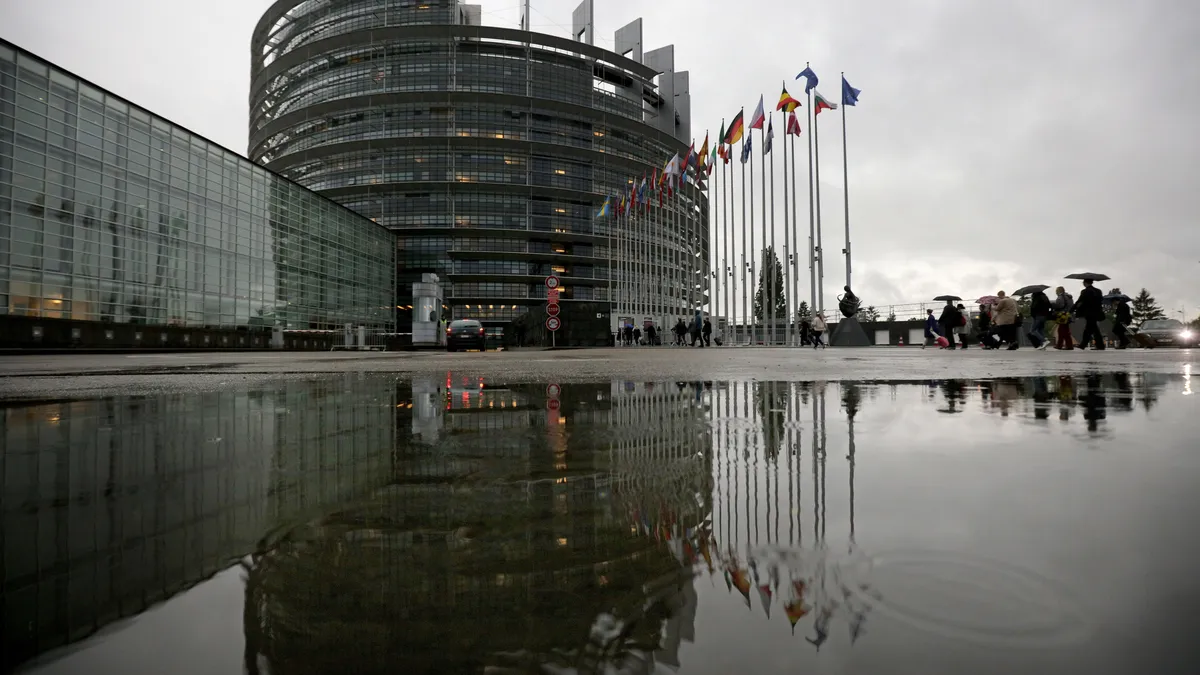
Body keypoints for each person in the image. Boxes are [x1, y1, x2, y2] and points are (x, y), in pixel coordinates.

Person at [1074, 279, 1106, 350]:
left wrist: (1072, 310)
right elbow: (1100, 301)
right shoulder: (1098, 291)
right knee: (1092, 329)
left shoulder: (1085, 291)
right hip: (1097, 312)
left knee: (1090, 329)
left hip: (1089, 313)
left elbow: (1080, 301)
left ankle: (1085, 345)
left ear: (1085, 283)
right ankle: (1097, 345)